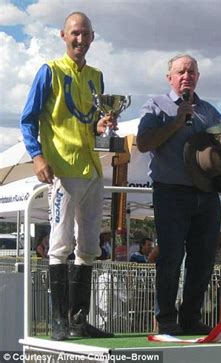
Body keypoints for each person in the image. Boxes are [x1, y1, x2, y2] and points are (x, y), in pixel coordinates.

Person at [19, 12, 115, 341]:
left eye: (85, 34)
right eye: (75, 33)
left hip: (92, 168)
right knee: (60, 245)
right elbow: (28, 119)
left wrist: (101, 126)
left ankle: (78, 319)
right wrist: (37, 156)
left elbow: (92, 121)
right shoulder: (50, 71)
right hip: (62, 168)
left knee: (89, 246)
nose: (80, 39)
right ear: (63, 35)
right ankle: (59, 321)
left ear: (92, 37)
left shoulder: (97, 76)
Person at [136, 54, 221, 335]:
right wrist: (176, 122)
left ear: (198, 77)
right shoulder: (155, 106)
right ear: (170, 78)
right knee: (171, 257)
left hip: (206, 194)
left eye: (191, 71)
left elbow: (220, 151)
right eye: (181, 71)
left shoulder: (210, 112)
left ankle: (191, 316)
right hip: (171, 192)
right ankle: (166, 318)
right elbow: (143, 143)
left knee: (202, 259)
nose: (186, 76)